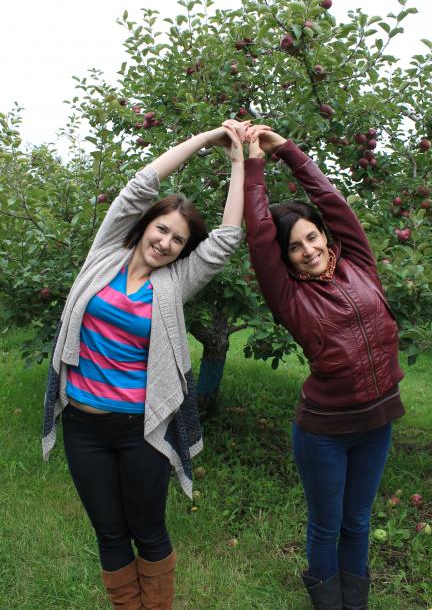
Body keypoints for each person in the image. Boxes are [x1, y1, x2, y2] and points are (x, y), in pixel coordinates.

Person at [42, 120, 247, 610]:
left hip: (142, 429)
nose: (166, 243)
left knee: (148, 532)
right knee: (110, 533)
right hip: (84, 427)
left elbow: (226, 240)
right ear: (145, 226)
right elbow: (141, 185)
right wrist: (205, 139)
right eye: (161, 229)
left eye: (178, 240)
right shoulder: (105, 253)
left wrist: (238, 160)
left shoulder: (174, 284)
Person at [242, 125, 405, 610]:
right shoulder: (289, 295)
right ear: (286, 258)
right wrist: (254, 164)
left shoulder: (359, 263)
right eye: (295, 247)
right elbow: (258, 234)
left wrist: (289, 153)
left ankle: (355, 604)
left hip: (378, 424)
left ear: (325, 236)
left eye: (312, 237)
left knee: (358, 521)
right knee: (327, 524)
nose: (309, 250)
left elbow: (335, 203)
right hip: (326, 432)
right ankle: (327, 604)